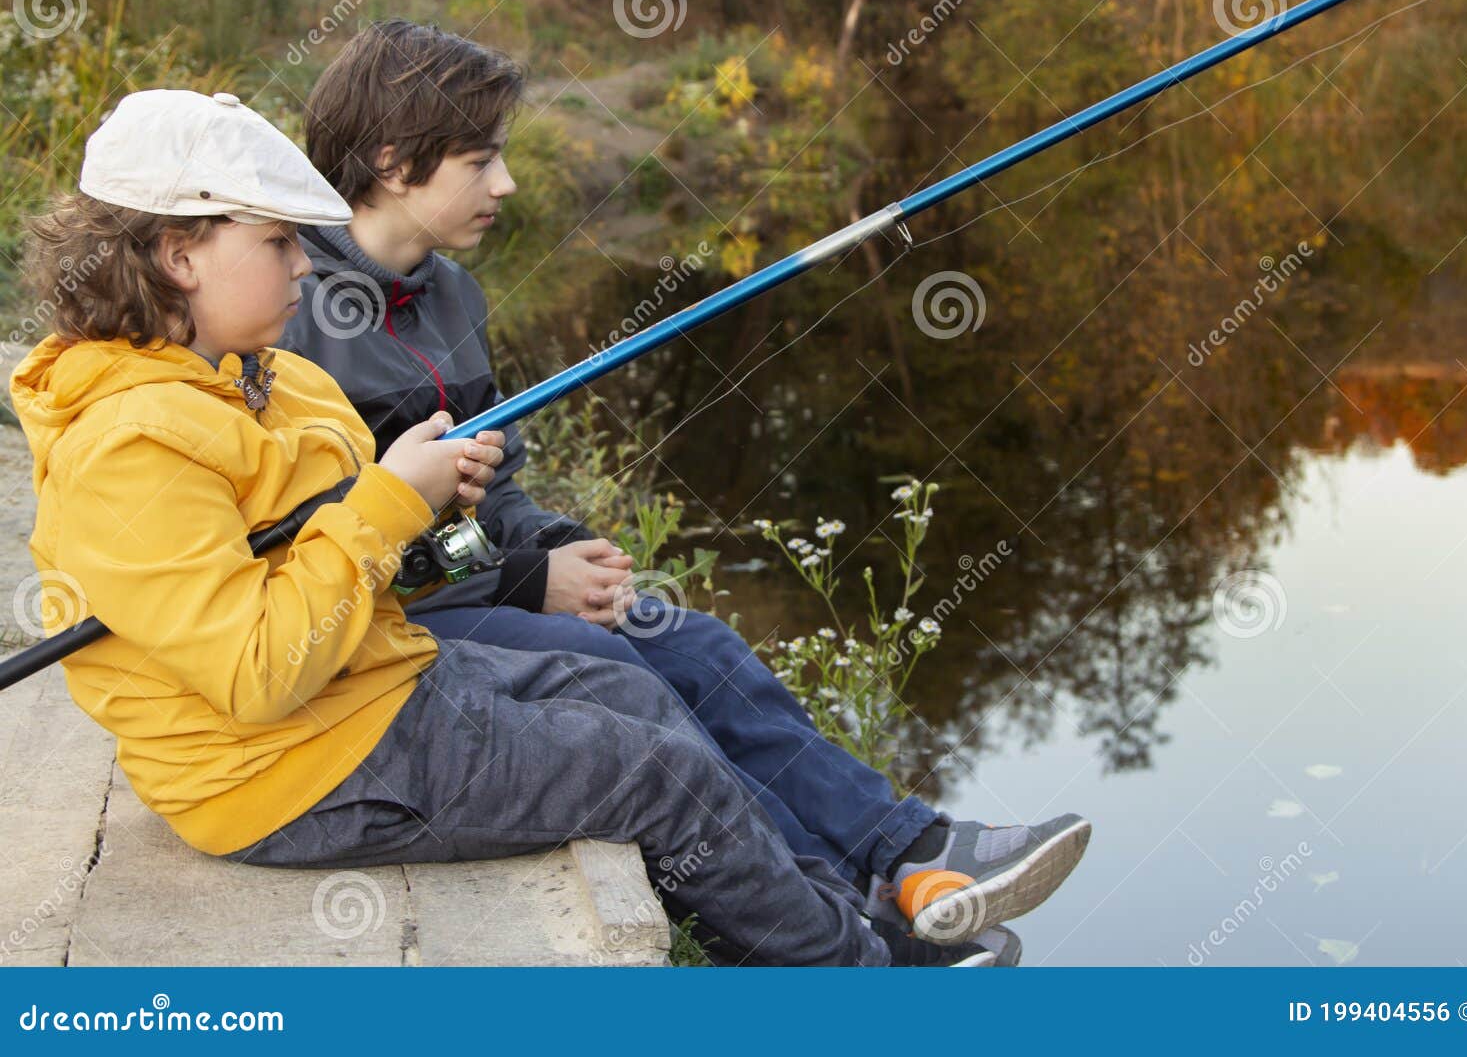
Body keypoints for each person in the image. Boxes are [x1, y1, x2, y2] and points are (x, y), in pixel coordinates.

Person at [10, 87, 1004, 966]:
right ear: (179, 252)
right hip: (282, 769)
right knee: (651, 776)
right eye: (277, 243)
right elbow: (259, 668)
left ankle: (843, 928)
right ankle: (857, 984)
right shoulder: (130, 447)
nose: (305, 268)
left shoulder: (273, 381)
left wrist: (454, 521)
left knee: (627, 684)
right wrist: (392, 495)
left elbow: (369, 573)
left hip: (371, 684)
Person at [278, 19, 1092, 946]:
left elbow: (492, 481)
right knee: (614, 671)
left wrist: (546, 543)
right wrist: (524, 580)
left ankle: (908, 845)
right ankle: (836, 908)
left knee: (693, 643)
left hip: (477, 584)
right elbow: (323, 553)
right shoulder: (291, 316)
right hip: (392, 628)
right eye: (480, 159)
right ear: (391, 160)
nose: (507, 182)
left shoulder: (453, 292)